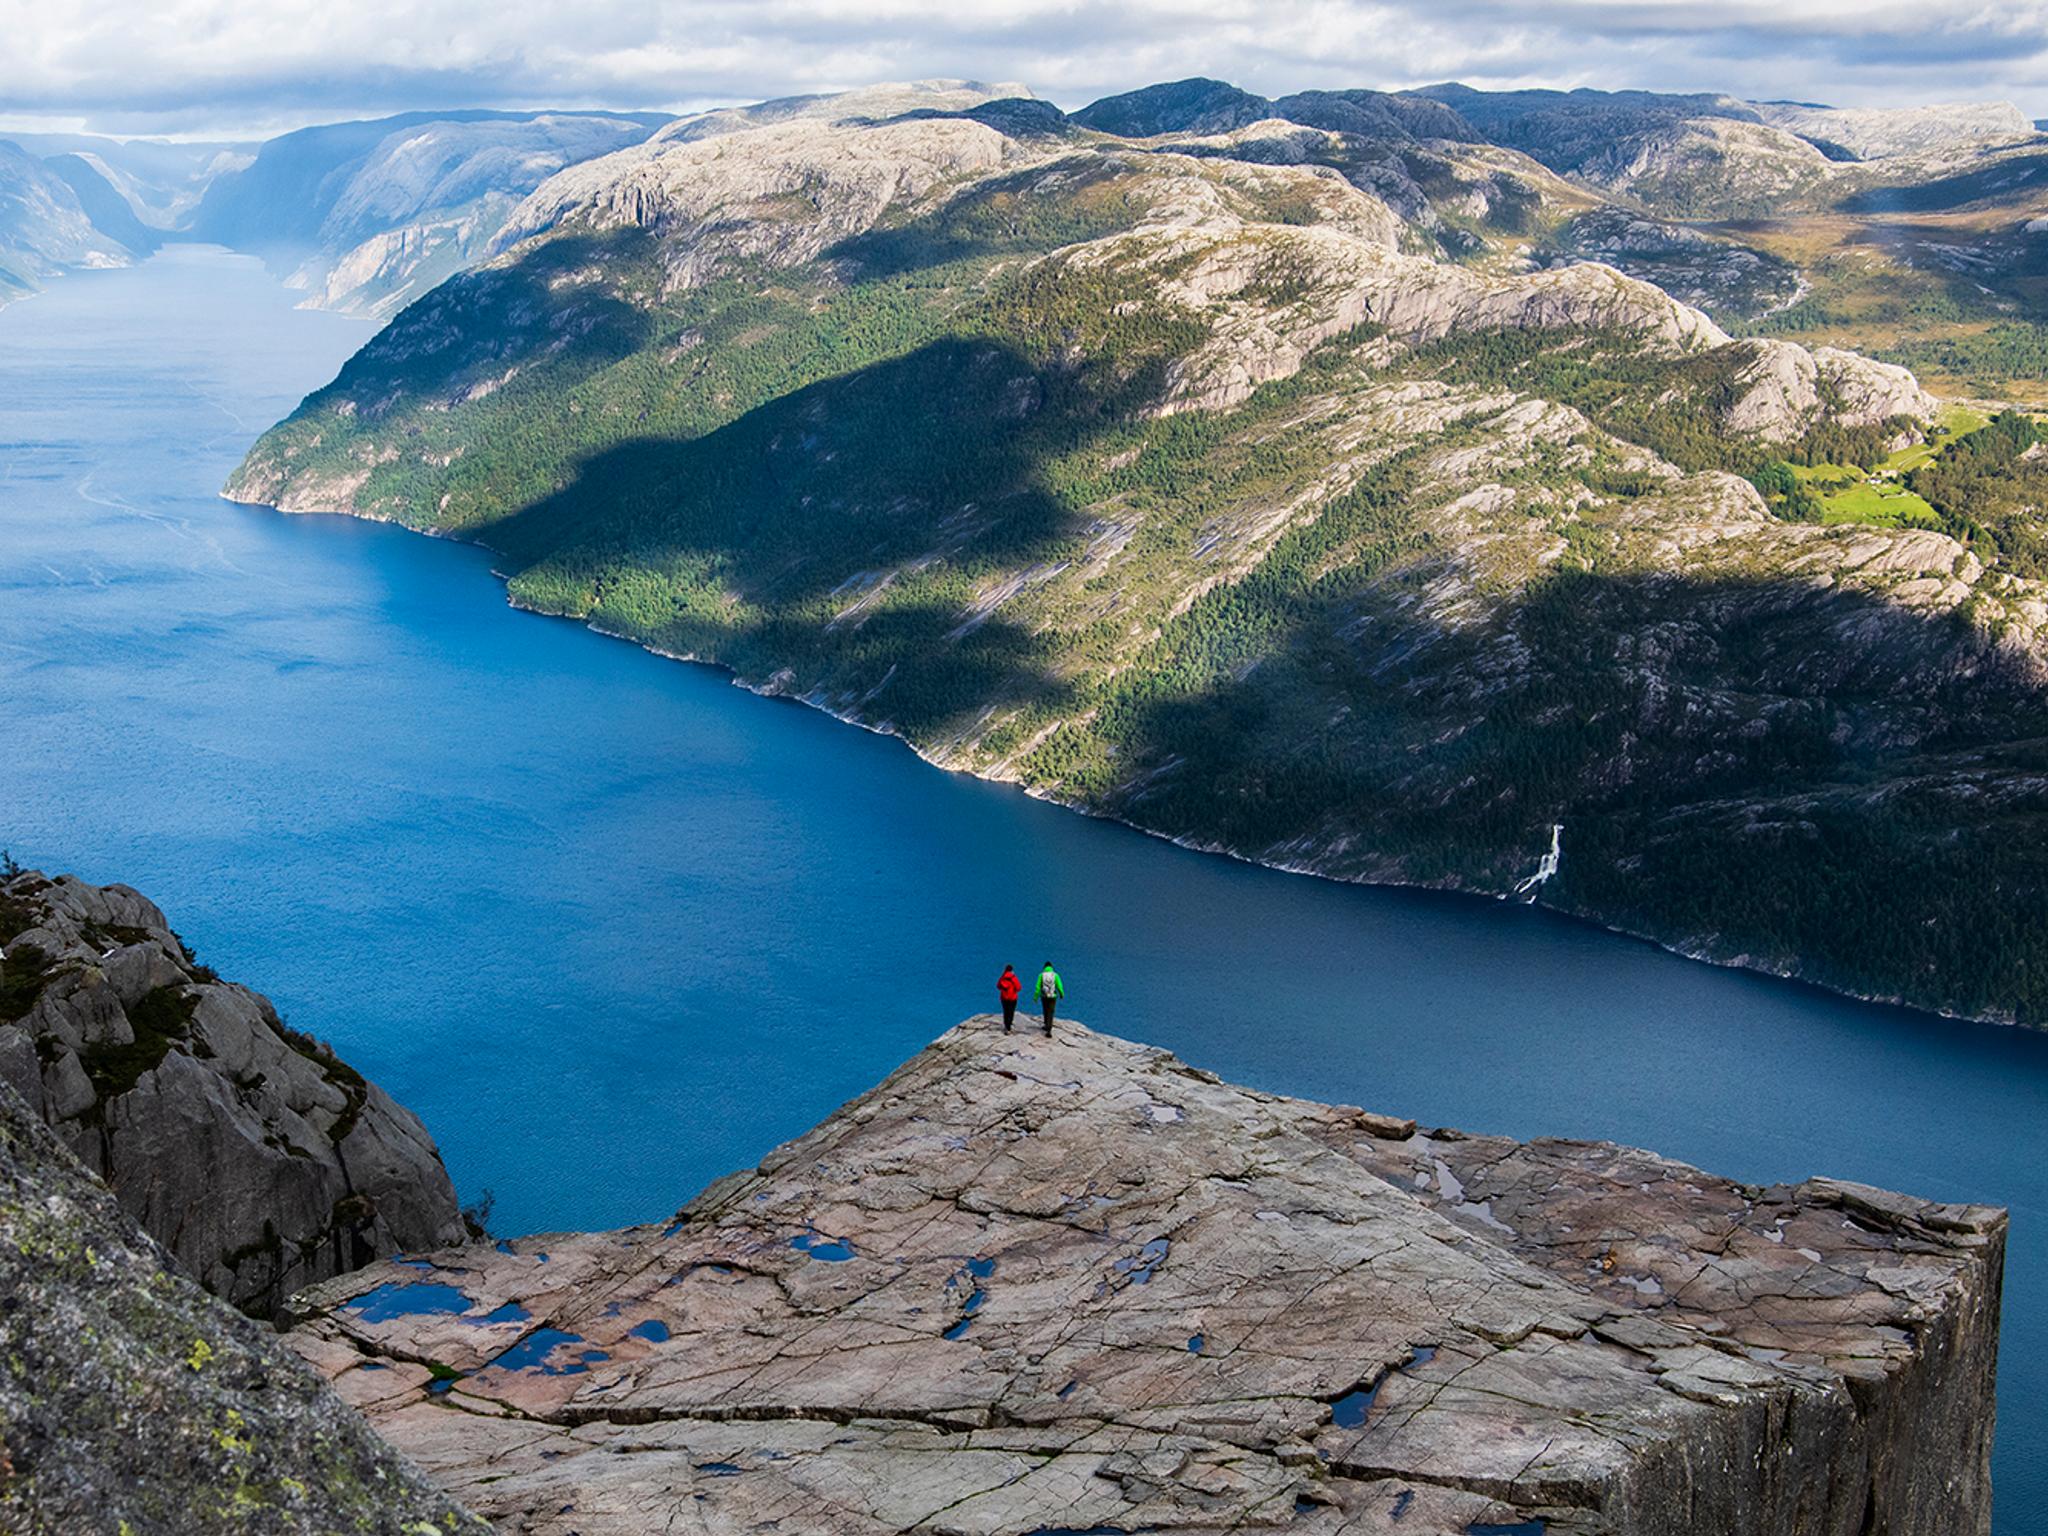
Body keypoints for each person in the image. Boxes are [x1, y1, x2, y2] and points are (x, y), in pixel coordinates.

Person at [1036, 961, 1064, 1035]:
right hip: (1053, 996)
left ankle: (1046, 1024)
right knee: (1051, 1011)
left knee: (1045, 1010)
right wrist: (1061, 994)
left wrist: (1035, 997)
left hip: (1044, 996)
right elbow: (1059, 986)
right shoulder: (1055, 975)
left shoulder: (1041, 975)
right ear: (1051, 967)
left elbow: (1038, 987)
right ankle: (1049, 1029)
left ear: (1044, 967)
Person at [997, 964, 1021, 1030]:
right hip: (1012, 997)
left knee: (1005, 1011)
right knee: (1011, 1011)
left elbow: (998, 986)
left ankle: (1006, 1024)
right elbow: (1019, 988)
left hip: (1004, 997)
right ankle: (1009, 1025)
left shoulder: (1002, 977)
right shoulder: (1013, 977)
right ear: (1012, 970)